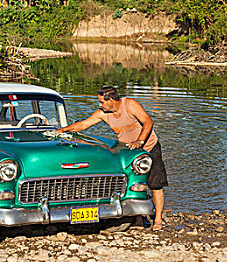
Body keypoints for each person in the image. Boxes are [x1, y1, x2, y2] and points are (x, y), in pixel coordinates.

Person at [57, 86, 168, 231]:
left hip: (148, 148)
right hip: (127, 152)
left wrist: (140, 141)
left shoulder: (129, 104)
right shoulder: (103, 113)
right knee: (132, 184)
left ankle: (158, 219)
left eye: (102, 102)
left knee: (155, 184)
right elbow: (84, 124)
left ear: (111, 100)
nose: (100, 105)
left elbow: (148, 122)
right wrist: (63, 130)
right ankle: (138, 219)